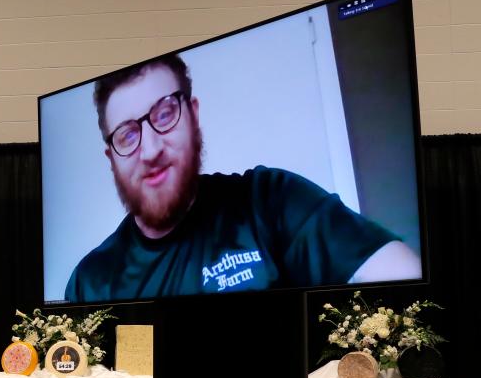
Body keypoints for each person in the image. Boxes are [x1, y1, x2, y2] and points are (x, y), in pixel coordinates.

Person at [65, 54, 423, 302]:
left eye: (164, 113)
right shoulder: (91, 280)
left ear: (193, 114)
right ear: (111, 157)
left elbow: (400, 277)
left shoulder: (270, 200)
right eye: (127, 134)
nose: (150, 149)